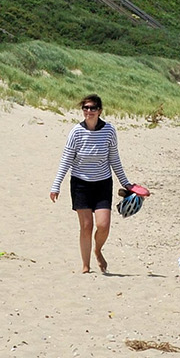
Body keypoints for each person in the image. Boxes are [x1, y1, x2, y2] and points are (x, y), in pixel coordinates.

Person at [47, 93, 133, 274]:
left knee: (103, 225)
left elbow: (114, 159)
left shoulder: (109, 131)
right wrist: (56, 185)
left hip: (103, 184)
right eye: (85, 108)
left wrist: (127, 184)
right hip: (80, 185)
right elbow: (66, 160)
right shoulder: (76, 132)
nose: (88, 111)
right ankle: (85, 266)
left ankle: (98, 249)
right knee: (86, 226)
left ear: (99, 110)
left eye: (92, 108)